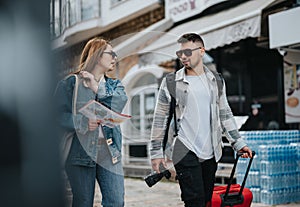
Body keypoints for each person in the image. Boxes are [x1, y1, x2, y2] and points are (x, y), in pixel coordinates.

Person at [150, 33, 252, 207]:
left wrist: (238, 143)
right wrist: (156, 153)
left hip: (211, 151)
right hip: (184, 149)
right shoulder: (171, 82)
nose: (183, 56)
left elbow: (225, 114)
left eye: (187, 52)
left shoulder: (216, 81)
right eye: (179, 53)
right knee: (194, 201)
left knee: (206, 201)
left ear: (201, 51)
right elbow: (160, 118)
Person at [55, 37, 128, 207]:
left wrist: (96, 87)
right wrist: (82, 122)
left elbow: (119, 103)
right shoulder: (71, 83)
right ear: (97, 55)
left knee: (116, 202)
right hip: (81, 152)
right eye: (111, 54)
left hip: (110, 153)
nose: (115, 58)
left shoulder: (114, 85)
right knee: (83, 202)